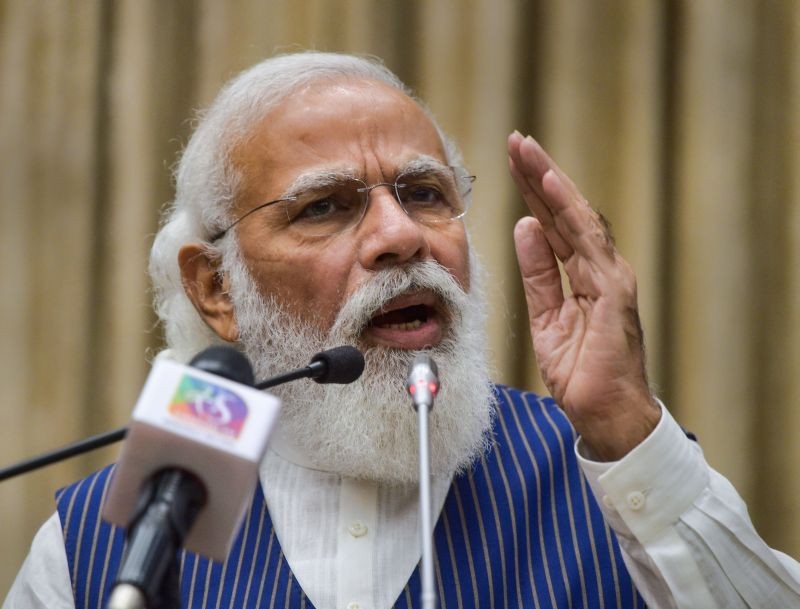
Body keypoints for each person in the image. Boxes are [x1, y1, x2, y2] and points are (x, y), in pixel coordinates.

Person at [5, 52, 800, 609]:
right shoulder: (96, 543)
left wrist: (628, 423)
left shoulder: (610, 470)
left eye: (424, 192)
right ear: (217, 288)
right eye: (326, 205)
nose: (401, 235)